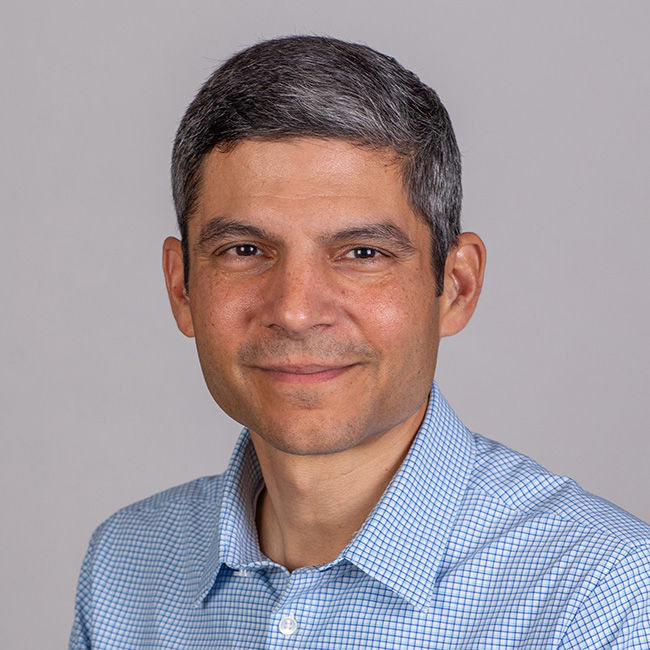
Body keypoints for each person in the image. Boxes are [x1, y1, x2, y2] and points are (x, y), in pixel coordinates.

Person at [69, 35, 650, 649]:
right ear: (182, 286)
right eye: (244, 251)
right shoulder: (124, 569)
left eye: (361, 253)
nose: (294, 311)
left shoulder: (603, 597)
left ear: (455, 285)